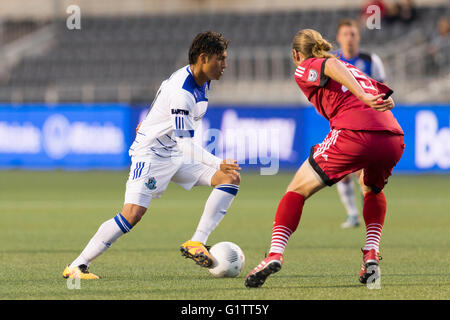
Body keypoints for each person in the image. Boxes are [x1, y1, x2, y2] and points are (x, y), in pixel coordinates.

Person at [63, 31, 242, 279]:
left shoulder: (202, 81)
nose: (225, 64)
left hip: (173, 152)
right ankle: (76, 266)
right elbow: (185, 144)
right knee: (132, 214)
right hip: (153, 154)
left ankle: (196, 242)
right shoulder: (184, 92)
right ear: (203, 58)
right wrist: (217, 161)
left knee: (229, 179)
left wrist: (149, 123)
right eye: (220, 59)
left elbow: (162, 101)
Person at [245, 29, 404, 288]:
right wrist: (367, 96)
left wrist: (362, 97)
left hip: (355, 133)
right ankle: (371, 252)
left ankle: (274, 253)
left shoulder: (308, 65)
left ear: (296, 53)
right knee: (370, 187)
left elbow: (327, 65)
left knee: (295, 189)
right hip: (392, 137)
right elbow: (389, 99)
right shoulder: (352, 67)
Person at [334, 19, 387, 228]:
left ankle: (368, 214)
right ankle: (352, 214)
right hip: (342, 122)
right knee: (343, 172)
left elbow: (383, 87)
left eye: (353, 34)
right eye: (345, 34)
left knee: (363, 174)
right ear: (339, 38)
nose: (349, 38)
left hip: (368, 123)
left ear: (359, 36)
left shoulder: (370, 60)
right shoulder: (332, 61)